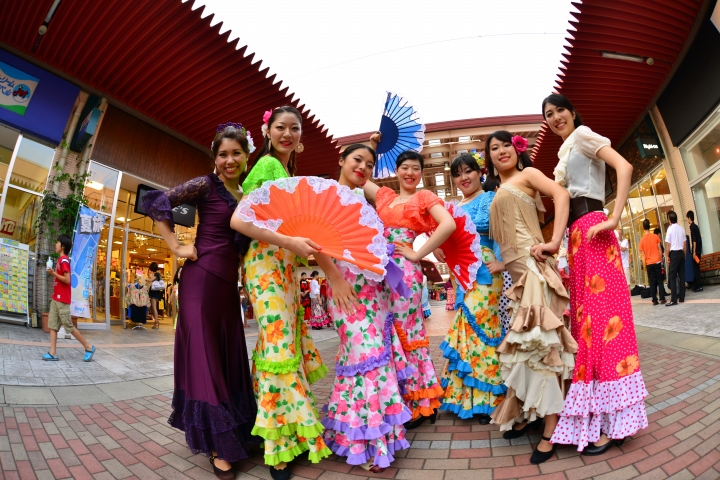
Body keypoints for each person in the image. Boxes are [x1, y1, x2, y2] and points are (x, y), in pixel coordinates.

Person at [142, 123, 258, 479]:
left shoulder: (247, 195)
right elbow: (155, 201)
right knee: (206, 357)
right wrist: (177, 247)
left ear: (246, 155)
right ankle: (218, 444)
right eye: (222, 154)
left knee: (227, 355)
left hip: (227, 288)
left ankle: (234, 431)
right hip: (201, 279)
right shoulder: (205, 185)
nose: (229, 160)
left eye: (236, 153)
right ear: (214, 157)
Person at [542, 93, 648, 455]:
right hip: (577, 238)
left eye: (560, 111)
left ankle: (615, 422)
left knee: (605, 323)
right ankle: (603, 418)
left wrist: (615, 217)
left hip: (594, 227)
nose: (556, 118)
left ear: (572, 113)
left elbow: (624, 167)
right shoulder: (564, 152)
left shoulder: (584, 134)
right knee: (586, 325)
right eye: (549, 114)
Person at [231, 106, 330, 480]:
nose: (287, 133)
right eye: (280, 127)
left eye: (294, 128)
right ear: (268, 131)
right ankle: (278, 447)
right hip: (264, 265)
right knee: (278, 347)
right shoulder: (268, 167)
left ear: (301, 137)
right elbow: (241, 220)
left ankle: (277, 427)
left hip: (284, 267)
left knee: (276, 344)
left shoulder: (287, 172)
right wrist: (289, 240)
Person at [318, 144, 413, 473]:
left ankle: (374, 436)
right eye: (357, 160)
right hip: (345, 290)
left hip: (375, 294)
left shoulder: (364, 201)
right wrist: (336, 280)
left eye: (370, 164)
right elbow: (315, 243)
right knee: (362, 356)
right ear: (341, 161)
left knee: (377, 356)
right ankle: (365, 441)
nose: (363, 167)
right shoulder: (328, 195)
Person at [484, 130, 576, 465]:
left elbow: (561, 195)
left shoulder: (529, 174)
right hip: (516, 277)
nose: (501, 150)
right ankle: (529, 413)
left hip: (536, 273)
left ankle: (551, 428)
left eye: (505, 144)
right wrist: (500, 264)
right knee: (525, 348)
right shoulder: (497, 189)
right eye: (493, 148)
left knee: (542, 349)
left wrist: (554, 243)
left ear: (516, 148)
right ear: (490, 159)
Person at [364, 134, 457, 429]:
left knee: (409, 331)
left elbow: (449, 224)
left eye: (415, 168)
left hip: (404, 271)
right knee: (387, 331)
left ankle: (421, 402)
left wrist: (418, 254)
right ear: (396, 170)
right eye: (404, 167)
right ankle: (399, 399)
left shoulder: (424, 197)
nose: (409, 172)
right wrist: (372, 148)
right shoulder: (385, 196)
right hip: (380, 270)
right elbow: (359, 173)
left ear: (421, 173)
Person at [434, 153, 506, 424]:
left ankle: (489, 399)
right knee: (467, 328)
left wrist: (503, 260)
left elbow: (504, 231)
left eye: (469, 171)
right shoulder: (450, 208)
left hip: (488, 272)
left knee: (484, 329)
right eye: (458, 173)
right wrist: (440, 247)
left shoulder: (491, 199)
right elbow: (446, 237)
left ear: (480, 173)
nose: (464, 177)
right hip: (461, 274)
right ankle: (466, 397)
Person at [42, 235, 96, 362]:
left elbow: (67, 279)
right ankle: (53, 352)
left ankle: (88, 347)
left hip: (62, 300)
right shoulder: (61, 260)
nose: (55, 244)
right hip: (56, 299)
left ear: (63, 247)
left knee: (69, 326)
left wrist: (53, 273)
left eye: (57, 242)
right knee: (53, 325)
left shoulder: (64, 260)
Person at [638, 219, 665, 305]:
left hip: (649, 264)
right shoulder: (655, 237)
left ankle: (654, 300)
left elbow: (643, 255)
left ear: (643, 228)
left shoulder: (642, 240)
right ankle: (662, 298)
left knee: (652, 282)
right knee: (660, 280)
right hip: (657, 261)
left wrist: (644, 265)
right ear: (649, 226)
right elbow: (660, 249)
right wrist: (661, 260)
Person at [665, 210, 686, 306]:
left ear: (669, 220)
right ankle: (682, 298)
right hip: (681, 253)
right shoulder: (681, 229)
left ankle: (673, 300)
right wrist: (684, 255)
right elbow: (684, 244)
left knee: (672, 277)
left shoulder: (670, 229)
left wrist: (667, 256)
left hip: (674, 253)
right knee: (682, 276)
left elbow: (668, 244)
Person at [687, 211, 703, 292]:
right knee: (696, 268)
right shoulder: (695, 226)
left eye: (687, 218)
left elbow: (694, 240)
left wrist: (694, 252)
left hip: (696, 251)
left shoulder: (692, 227)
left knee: (696, 268)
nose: (687, 220)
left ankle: (699, 286)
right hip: (698, 250)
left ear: (689, 218)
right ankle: (697, 284)